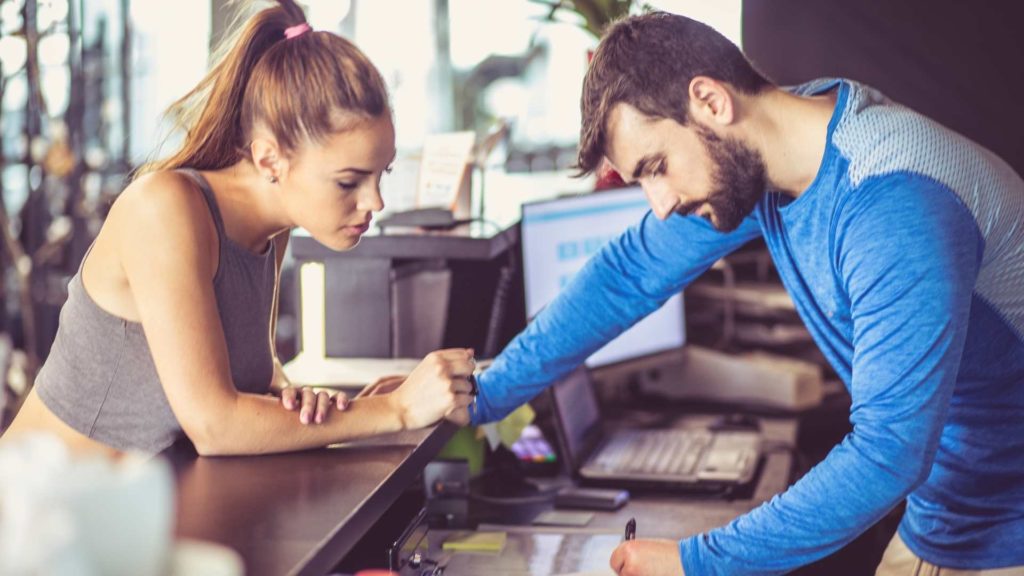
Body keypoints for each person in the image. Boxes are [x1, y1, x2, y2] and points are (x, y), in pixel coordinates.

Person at [469, 11, 1024, 576]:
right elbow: (629, 273)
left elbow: (888, 454)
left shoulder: (891, 201)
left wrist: (694, 562)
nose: (659, 204)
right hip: (947, 512)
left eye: (657, 167)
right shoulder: (771, 154)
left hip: (1010, 525)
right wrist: (481, 396)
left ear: (710, 101)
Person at [1, 0, 475, 458]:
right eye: (350, 181)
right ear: (270, 158)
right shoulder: (165, 210)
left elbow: (251, 375)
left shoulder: (270, 229)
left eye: (381, 174)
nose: (374, 201)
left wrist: (310, 402)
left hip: (128, 516)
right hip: (33, 519)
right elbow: (215, 425)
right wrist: (394, 409)